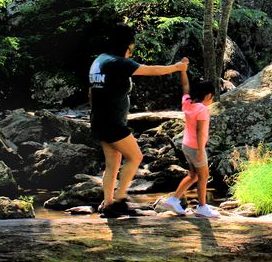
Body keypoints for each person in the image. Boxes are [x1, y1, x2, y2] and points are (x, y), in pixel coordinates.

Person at [89, 23, 186, 217]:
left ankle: (108, 204)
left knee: (113, 162)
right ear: (124, 45)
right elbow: (152, 70)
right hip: (112, 123)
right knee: (136, 157)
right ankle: (120, 199)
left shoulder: (100, 60)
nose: (131, 54)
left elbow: (91, 92)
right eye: (130, 49)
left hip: (100, 120)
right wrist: (177, 67)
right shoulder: (118, 62)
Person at [160, 65, 219, 218]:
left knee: (193, 175)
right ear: (207, 96)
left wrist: (183, 70)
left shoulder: (188, 103)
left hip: (186, 145)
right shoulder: (202, 110)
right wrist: (200, 151)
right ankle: (202, 207)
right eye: (212, 97)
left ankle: (173, 199)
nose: (212, 100)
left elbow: (185, 86)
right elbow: (200, 131)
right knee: (204, 176)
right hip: (195, 147)